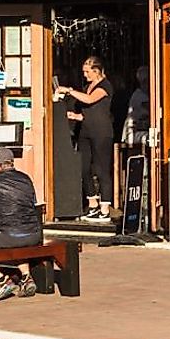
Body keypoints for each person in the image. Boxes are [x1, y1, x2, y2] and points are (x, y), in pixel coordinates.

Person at [0, 146, 45, 300]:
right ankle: (26, 277)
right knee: (17, 245)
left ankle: (1, 281)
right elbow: (33, 202)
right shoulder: (26, 178)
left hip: (8, 233)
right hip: (33, 233)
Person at [54, 55, 116, 222]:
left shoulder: (105, 86)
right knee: (84, 168)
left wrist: (69, 90)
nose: (85, 75)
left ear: (96, 71)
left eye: (87, 72)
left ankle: (105, 207)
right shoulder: (88, 86)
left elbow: (90, 100)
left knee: (102, 169)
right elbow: (90, 110)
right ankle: (93, 203)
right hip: (86, 131)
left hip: (101, 132)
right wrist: (76, 116)